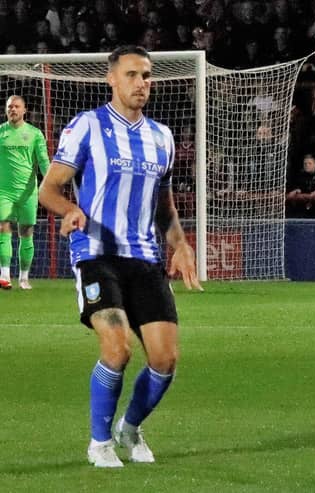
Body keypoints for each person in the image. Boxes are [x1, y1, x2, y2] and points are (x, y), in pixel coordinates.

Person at [38, 45, 202, 468]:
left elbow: (164, 205)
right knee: (117, 348)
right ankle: (99, 443)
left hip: (144, 258)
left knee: (165, 360)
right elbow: (49, 190)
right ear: (111, 79)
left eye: (147, 75)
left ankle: (129, 429)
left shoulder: (161, 136)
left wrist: (180, 245)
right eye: (131, 75)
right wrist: (70, 210)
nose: (141, 83)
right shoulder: (86, 127)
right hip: (97, 253)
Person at [0, 95, 50, 290]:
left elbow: (44, 161)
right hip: (3, 191)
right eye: (9, 107)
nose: (13, 109)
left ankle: (24, 278)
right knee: (3, 227)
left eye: (16, 106)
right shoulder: (1, 133)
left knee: (26, 232)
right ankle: (4, 274)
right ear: (6, 110)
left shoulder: (35, 134)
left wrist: (50, 182)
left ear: (24, 110)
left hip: (28, 192)